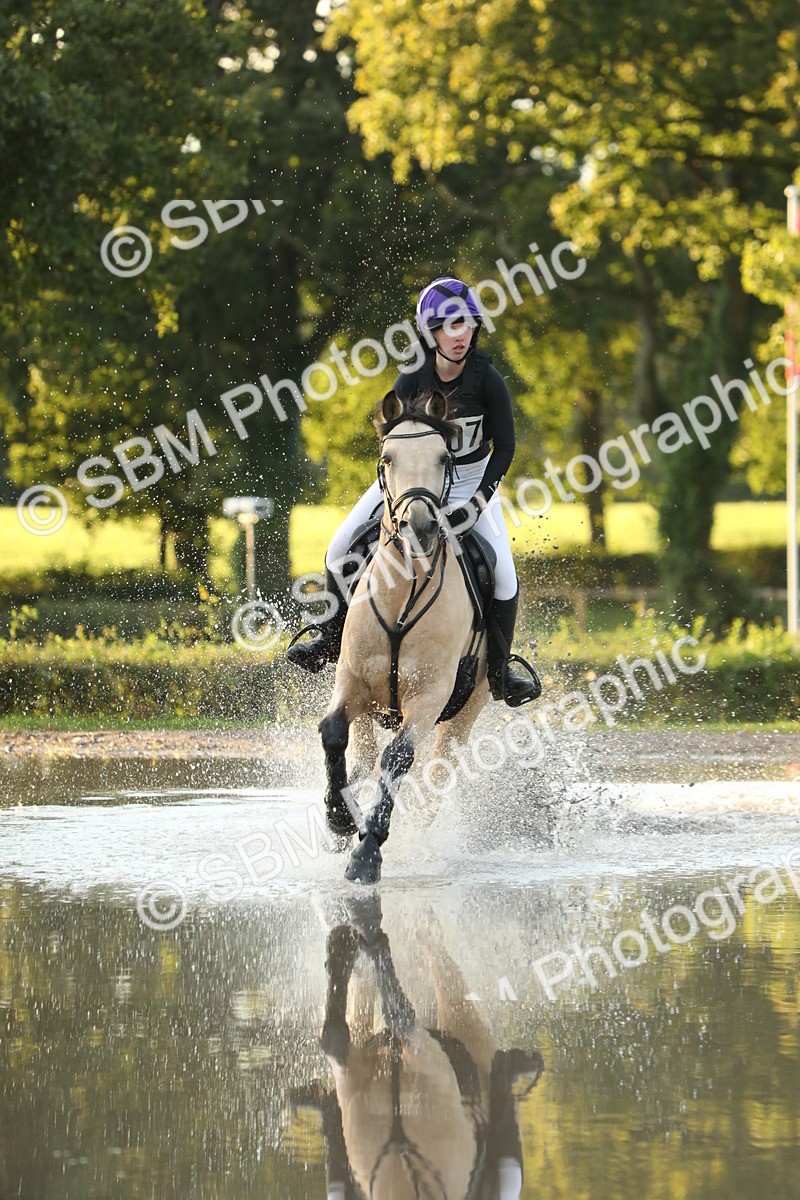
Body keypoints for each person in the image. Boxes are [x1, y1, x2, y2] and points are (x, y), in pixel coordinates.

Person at [286, 275, 539, 706]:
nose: (460, 335)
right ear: (431, 332)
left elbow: (507, 447)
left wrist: (478, 501)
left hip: (471, 480)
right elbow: (392, 446)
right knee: (339, 547)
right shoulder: (411, 380)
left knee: (503, 576)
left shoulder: (489, 381)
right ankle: (329, 640)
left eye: (467, 324)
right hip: (414, 480)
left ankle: (500, 671)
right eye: (449, 326)